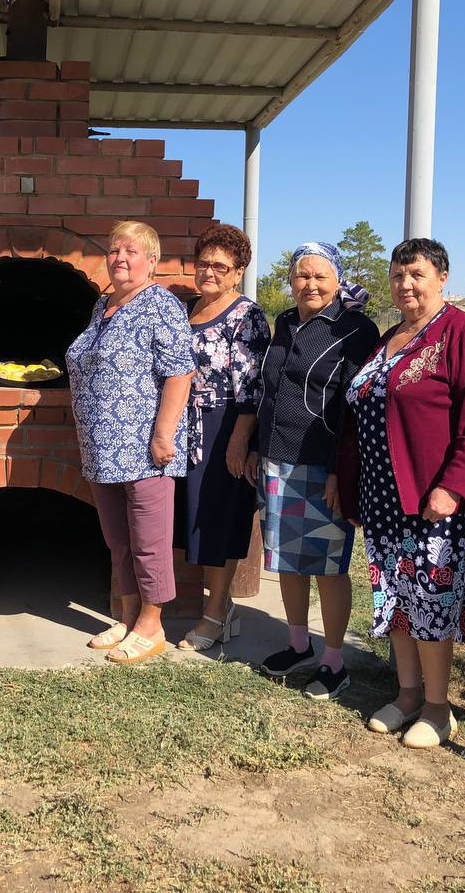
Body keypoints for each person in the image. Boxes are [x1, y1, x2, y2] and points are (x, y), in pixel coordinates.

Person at [340, 238, 465, 748]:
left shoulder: (460, 332)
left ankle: (437, 706)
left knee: (430, 598)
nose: (406, 284)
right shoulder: (389, 336)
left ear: (442, 278)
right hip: (384, 494)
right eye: (398, 275)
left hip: (430, 495)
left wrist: (453, 486)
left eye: (417, 275)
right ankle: (407, 695)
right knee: (394, 598)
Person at [249, 242, 379, 700]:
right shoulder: (284, 322)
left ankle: (333, 659)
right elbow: (267, 389)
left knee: (327, 565)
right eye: (302, 276)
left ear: (337, 279)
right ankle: (298, 642)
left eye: (320, 276)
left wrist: (340, 471)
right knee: (285, 557)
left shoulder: (356, 330)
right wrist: (255, 446)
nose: (310, 284)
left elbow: (353, 406)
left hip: (323, 463)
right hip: (276, 456)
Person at [68, 221, 196, 664]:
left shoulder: (161, 304)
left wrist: (163, 434)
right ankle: (126, 617)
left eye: (131, 251)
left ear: (152, 261)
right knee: (117, 538)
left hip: (144, 447)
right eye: (114, 250)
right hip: (102, 447)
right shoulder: (102, 305)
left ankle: (151, 624)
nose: (120, 258)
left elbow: (181, 371)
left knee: (149, 540)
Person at [174, 224, 269, 651]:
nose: (209, 272)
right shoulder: (188, 308)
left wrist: (239, 439)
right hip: (183, 424)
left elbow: (251, 386)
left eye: (221, 266)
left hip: (223, 423)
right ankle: (220, 606)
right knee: (193, 516)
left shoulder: (246, 316)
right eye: (204, 263)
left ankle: (215, 614)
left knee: (218, 516)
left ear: (238, 272)